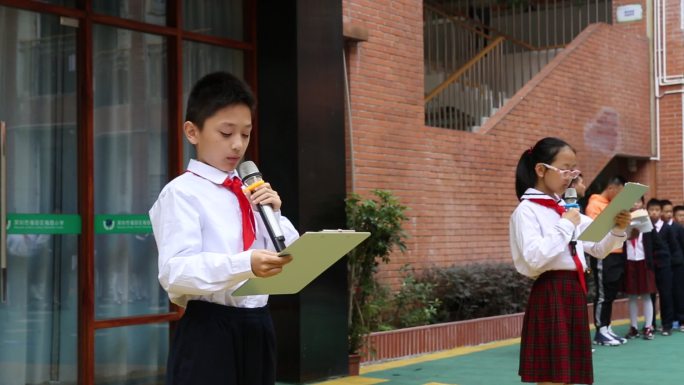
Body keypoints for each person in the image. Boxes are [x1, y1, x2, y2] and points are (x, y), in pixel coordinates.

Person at [149, 71, 299, 385]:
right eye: (226, 132)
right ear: (192, 132)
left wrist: (276, 214)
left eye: (245, 134)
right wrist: (246, 264)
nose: (237, 145)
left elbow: (285, 258)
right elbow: (175, 271)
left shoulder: (250, 191)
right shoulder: (182, 193)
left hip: (258, 325)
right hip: (210, 329)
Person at [510, 137, 630, 385]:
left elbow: (597, 248)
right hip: (551, 290)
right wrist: (565, 224)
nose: (571, 176)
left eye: (573, 170)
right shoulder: (528, 210)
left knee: (570, 375)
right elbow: (534, 259)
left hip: (574, 290)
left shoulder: (566, 208)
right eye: (565, 169)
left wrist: (618, 230)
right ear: (541, 170)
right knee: (552, 376)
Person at [585, 175, 628, 346]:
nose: (620, 197)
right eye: (620, 192)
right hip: (603, 254)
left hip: (617, 252)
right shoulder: (594, 204)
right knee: (603, 294)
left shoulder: (612, 206)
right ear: (612, 188)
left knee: (611, 293)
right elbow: (596, 231)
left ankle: (607, 327)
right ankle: (600, 330)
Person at [622, 208, 660, 340]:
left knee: (646, 295)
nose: (635, 205)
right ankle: (633, 327)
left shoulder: (648, 226)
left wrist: (653, 262)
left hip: (644, 263)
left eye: (638, 201)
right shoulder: (623, 223)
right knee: (631, 296)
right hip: (629, 262)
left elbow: (657, 244)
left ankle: (648, 326)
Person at [647, 198, 681, 335]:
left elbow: (674, 247)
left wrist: (670, 261)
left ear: (660, 212)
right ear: (647, 211)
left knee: (666, 294)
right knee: (650, 295)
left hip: (665, 266)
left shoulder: (667, 228)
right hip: (650, 266)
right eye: (651, 210)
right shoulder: (646, 228)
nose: (654, 213)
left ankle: (667, 325)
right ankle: (651, 324)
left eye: (656, 210)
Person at [660, 199, 684, 331]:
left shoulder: (678, 228)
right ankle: (671, 319)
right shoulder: (660, 227)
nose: (668, 214)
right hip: (665, 265)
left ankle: (681, 320)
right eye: (666, 211)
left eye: (670, 211)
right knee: (667, 293)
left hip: (678, 264)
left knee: (679, 292)